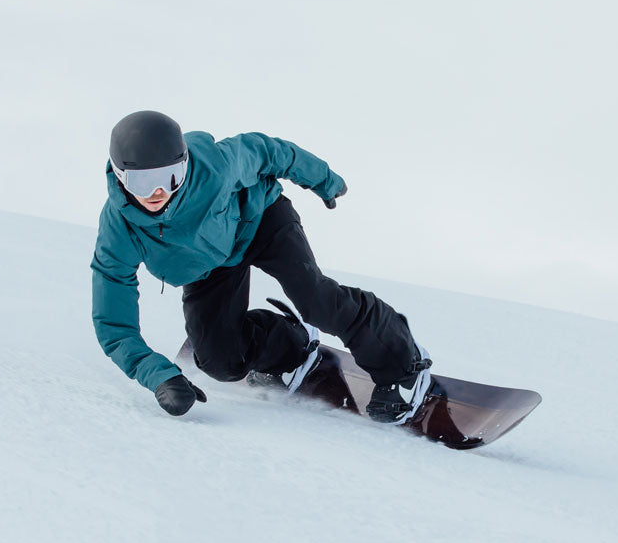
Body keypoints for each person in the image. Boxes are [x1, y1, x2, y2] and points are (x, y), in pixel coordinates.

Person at [91, 110, 432, 423]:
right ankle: (291, 346)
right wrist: (158, 376)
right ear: (120, 176)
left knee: (316, 300)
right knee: (220, 362)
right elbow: (114, 325)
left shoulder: (214, 166)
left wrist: (322, 178)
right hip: (208, 267)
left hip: (260, 220)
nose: (158, 191)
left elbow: (269, 151)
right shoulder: (118, 230)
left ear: (185, 165)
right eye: (141, 182)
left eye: (171, 176)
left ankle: (403, 365)